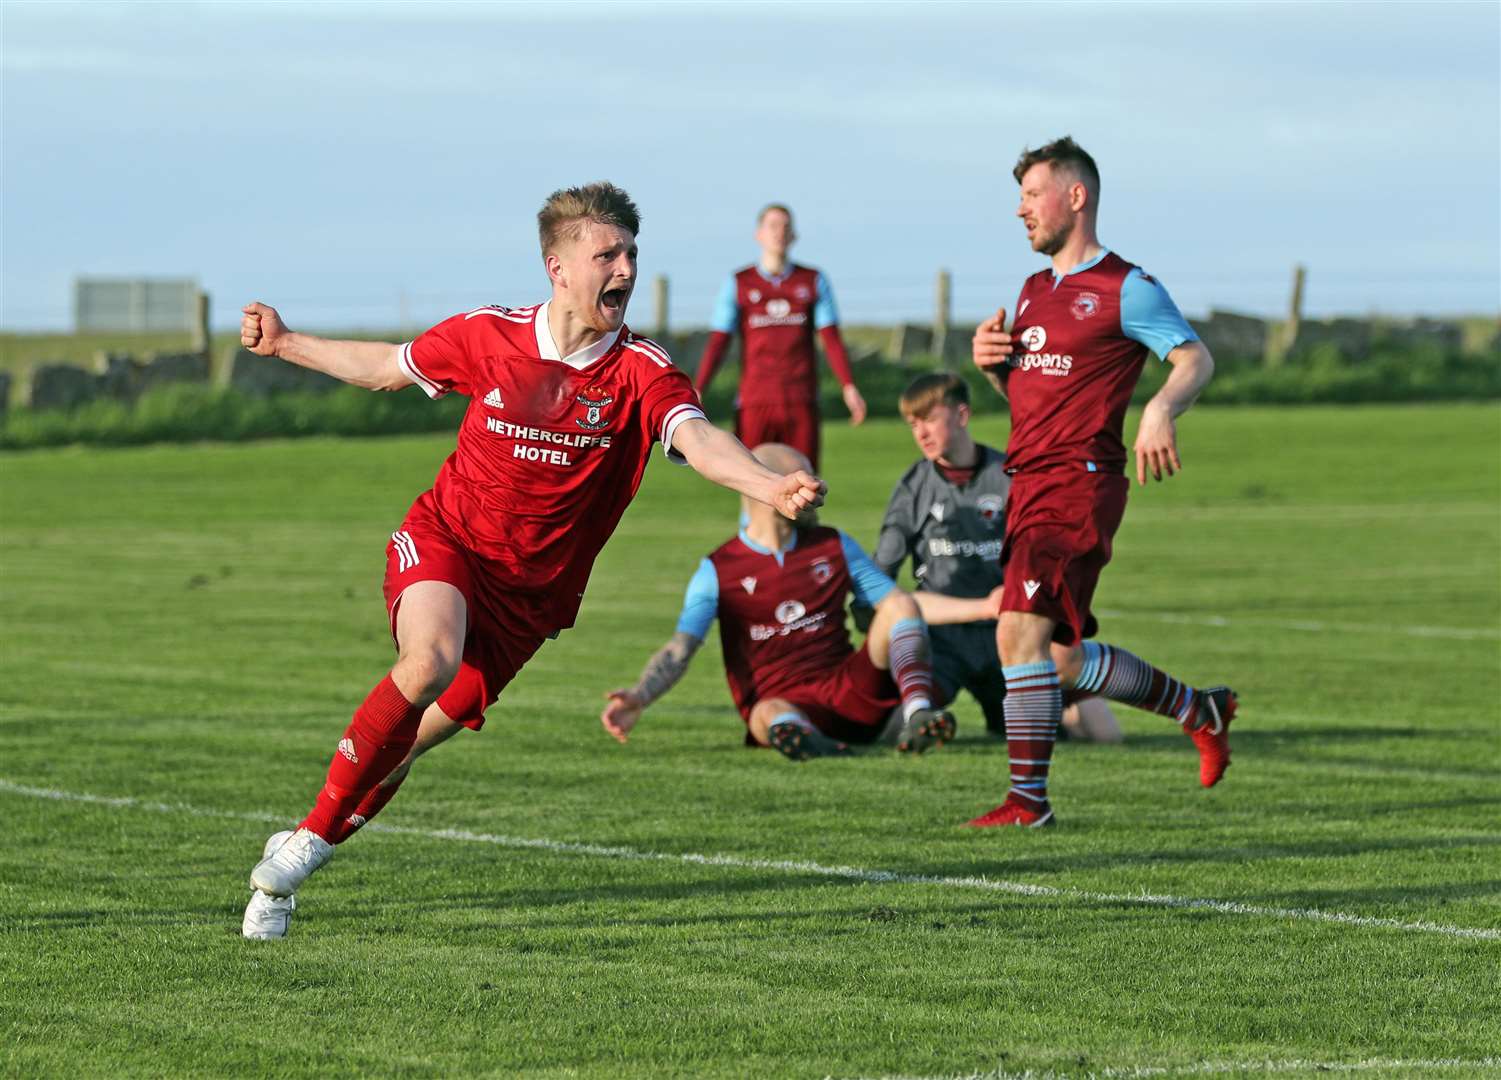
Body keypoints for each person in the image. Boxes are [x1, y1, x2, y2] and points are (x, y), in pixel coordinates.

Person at [236, 183, 827, 939]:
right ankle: (306, 848)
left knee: (405, 746)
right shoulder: (489, 334)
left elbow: (699, 441)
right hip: (447, 541)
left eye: (631, 255)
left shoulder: (641, 371)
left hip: (529, 600)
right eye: (606, 254)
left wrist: (769, 482)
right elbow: (388, 365)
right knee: (428, 664)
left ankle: (285, 869)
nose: (623, 269)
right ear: (557, 266)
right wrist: (286, 342)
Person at [968, 137, 1238, 829]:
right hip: (1027, 481)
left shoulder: (1127, 286)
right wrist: (991, 366)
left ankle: (1027, 804)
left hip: (1077, 484)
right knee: (1056, 662)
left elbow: (1193, 359)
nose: (1020, 209)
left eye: (1032, 194)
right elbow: (1031, 399)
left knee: (1015, 635)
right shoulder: (1033, 291)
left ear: (1075, 196)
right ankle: (1195, 708)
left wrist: (1159, 408)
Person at [599, 443, 1002, 760]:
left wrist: (984, 606)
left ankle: (917, 713)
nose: (816, 488)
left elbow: (907, 607)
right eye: (804, 479)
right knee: (764, 714)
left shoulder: (832, 544)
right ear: (765, 483)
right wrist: (640, 695)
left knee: (898, 606)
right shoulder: (718, 569)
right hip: (784, 702)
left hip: (851, 692)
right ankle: (802, 737)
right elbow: (680, 648)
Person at [874, 371, 1122, 744]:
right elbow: (881, 575)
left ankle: (1021, 711)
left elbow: (1052, 556)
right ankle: (928, 718)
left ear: (961, 415)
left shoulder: (1010, 477)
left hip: (1008, 637)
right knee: (891, 730)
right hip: (943, 641)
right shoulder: (913, 488)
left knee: (1101, 734)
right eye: (913, 423)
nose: (920, 433)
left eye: (929, 419)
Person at [693, 204, 867, 470]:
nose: (779, 232)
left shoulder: (813, 280)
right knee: (753, 483)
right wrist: (700, 387)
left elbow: (831, 339)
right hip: (755, 401)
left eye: (786, 227)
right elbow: (719, 341)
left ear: (794, 236)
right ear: (758, 234)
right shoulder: (739, 282)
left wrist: (848, 385)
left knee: (804, 484)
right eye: (772, 226)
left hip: (800, 399)